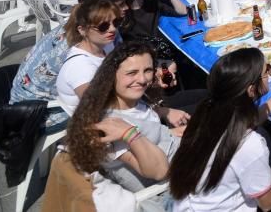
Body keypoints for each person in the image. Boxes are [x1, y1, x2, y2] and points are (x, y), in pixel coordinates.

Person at [169, 49, 271, 211]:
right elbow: (267, 203)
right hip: (250, 204)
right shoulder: (250, 145)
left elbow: (248, 122)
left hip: (200, 204)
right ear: (251, 89)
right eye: (267, 72)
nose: (269, 76)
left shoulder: (206, 115)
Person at [64, 41, 182, 197]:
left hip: (184, 155)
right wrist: (129, 133)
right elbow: (160, 172)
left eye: (147, 70)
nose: (142, 79)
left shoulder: (133, 101)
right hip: (173, 186)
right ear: (111, 77)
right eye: (131, 73)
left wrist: (172, 133)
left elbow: (151, 132)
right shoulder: (108, 127)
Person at [55, 0, 122, 114]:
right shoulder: (80, 67)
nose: (113, 29)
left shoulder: (105, 45)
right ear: (82, 30)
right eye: (103, 26)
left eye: (116, 22)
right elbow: (98, 107)